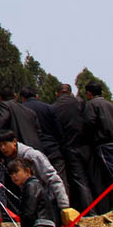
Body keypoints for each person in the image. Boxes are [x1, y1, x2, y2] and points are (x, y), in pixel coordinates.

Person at [0, 130, 69, 214]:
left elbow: (53, 178)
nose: (3, 148)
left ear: (14, 141)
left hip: (50, 205)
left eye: (5, 144)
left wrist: (64, 206)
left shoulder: (33, 155)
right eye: (0, 146)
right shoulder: (12, 159)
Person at [52, 84, 93, 213]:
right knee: (91, 178)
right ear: (70, 92)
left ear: (57, 93)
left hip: (69, 147)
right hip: (87, 145)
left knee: (78, 180)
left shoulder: (54, 107)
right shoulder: (80, 102)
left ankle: (87, 211)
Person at [20, 86, 66, 186]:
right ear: (37, 96)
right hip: (53, 147)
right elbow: (58, 129)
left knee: (40, 181)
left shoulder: (21, 110)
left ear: (22, 98)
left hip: (34, 149)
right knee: (59, 179)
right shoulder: (49, 107)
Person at [82, 80, 113, 208]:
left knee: (110, 173)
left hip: (103, 144)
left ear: (89, 93)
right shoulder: (109, 104)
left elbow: (89, 123)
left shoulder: (91, 104)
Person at [7, 158, 56, 227]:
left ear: (27, 171)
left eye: (16, 172)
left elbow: (28, 212)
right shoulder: (33, 185)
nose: (13, 176)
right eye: (11, 174)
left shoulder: (31, 185)